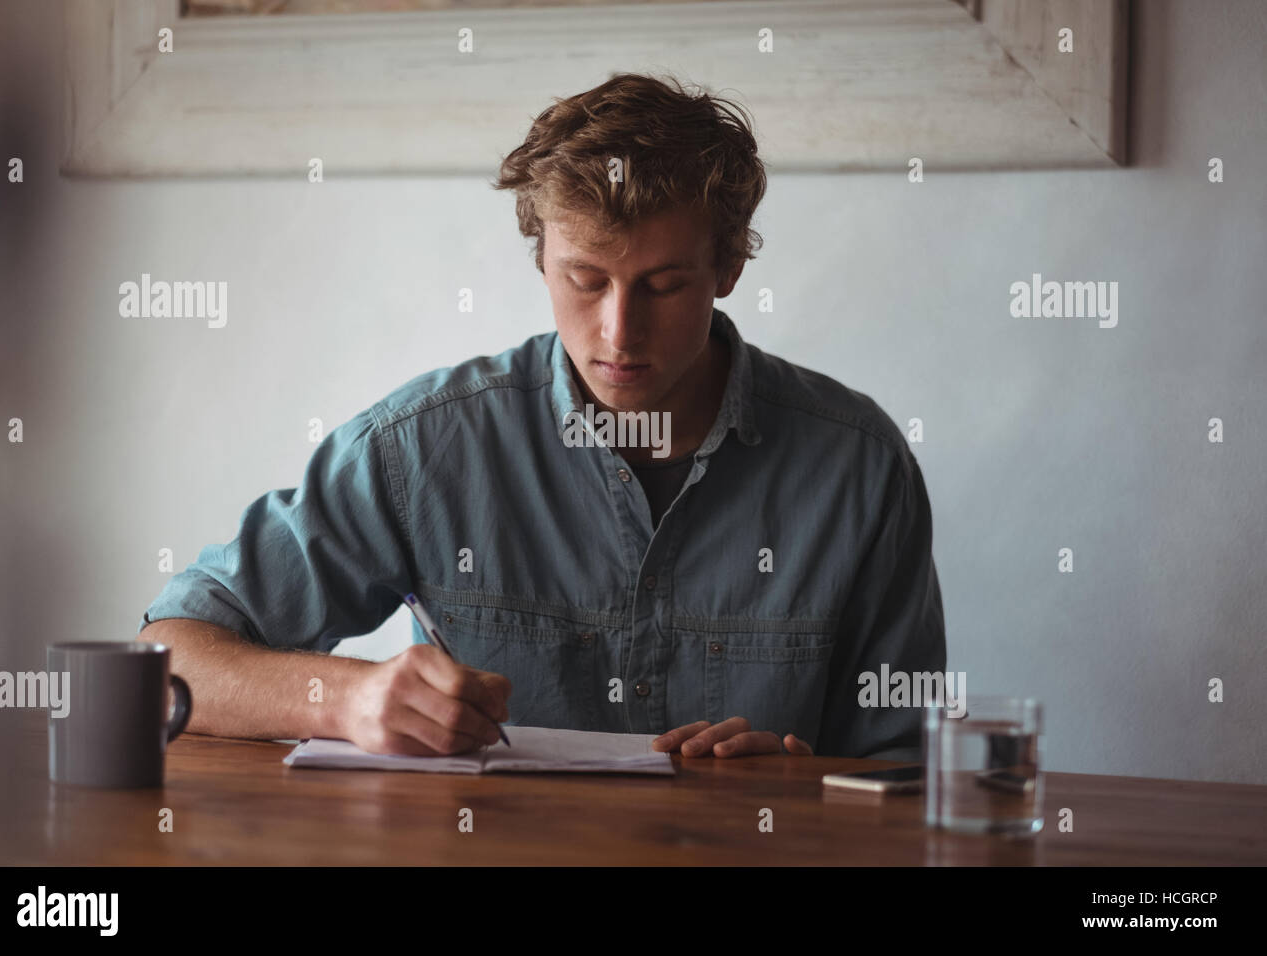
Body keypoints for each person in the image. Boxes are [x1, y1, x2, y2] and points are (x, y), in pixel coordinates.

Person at [139, 73, 945, 761]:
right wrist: (344, 700)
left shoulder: (861, 469)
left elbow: (908, 781)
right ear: (541, 259)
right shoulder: (428, 447)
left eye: (663, 285)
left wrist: (804, 786)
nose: (619, 333)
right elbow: (168, 655)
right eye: (585, 280)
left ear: (729, 266)